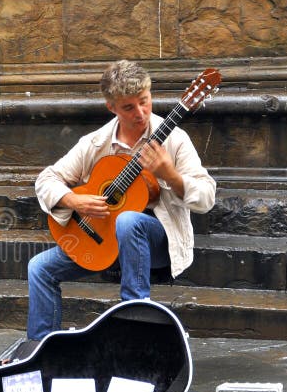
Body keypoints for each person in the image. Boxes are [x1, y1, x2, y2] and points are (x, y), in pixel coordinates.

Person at [27, 60, 216, 341]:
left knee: (128, 220)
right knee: (39, 268)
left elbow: (207, 197)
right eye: (129, 107)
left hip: (156, 243)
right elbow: (45, 180)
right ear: (111, 107)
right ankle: (41, 350)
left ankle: (132, 326)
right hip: (104, 240)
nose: (140, 113)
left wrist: (171, 176)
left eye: (144, 101)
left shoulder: (174, 139)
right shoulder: (95, 143)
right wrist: (73, 201)